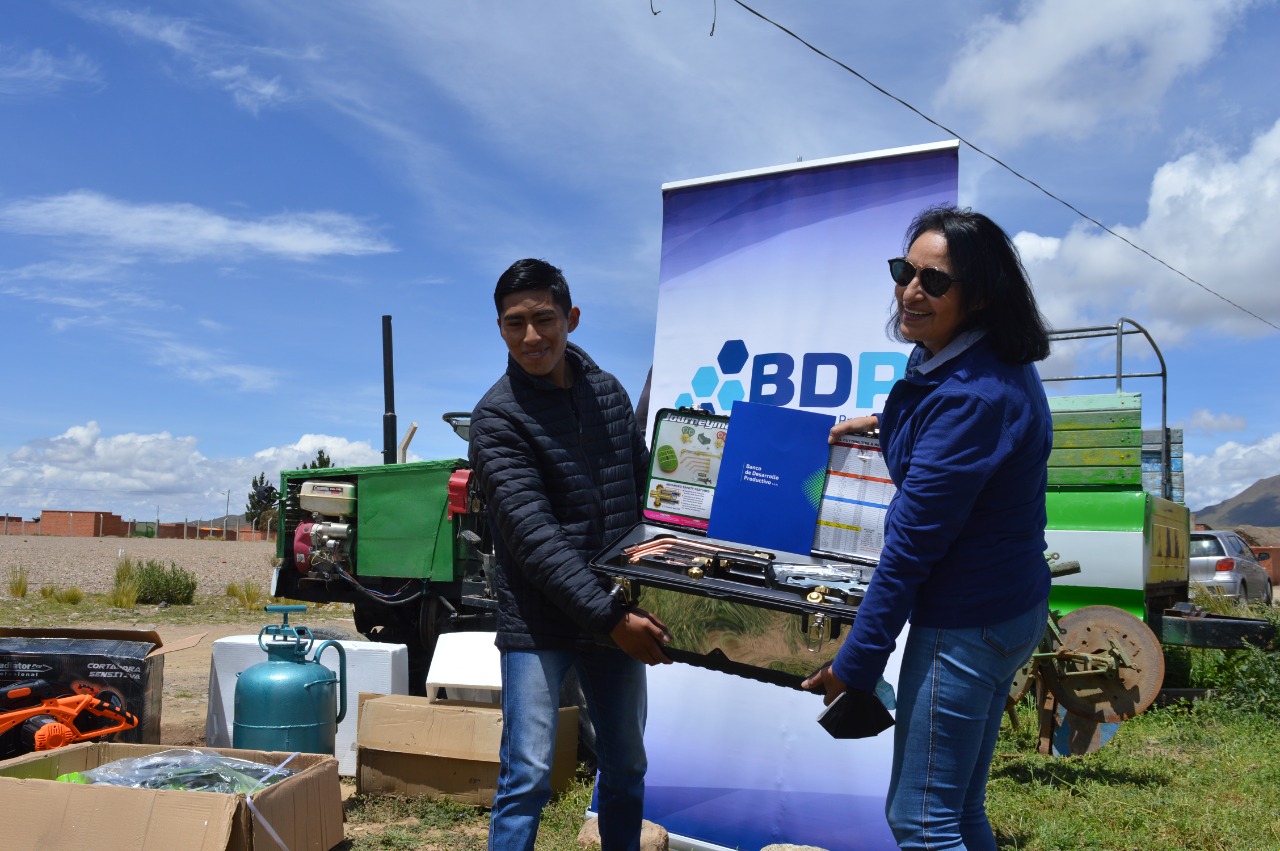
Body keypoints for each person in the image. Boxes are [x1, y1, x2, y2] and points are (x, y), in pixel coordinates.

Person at [802, 205, 1053, 850]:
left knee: (920, 821)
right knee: (960, 810)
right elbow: (956, 451)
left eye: (934, 281)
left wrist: (856, 664)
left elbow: (910, 548)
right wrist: (877, 425)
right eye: (903, 272)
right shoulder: (984, 364)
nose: (911, 292)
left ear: (980, 296)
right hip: (1008, 609)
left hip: (965, 625)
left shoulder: (972, 394)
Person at [469, 258, 672, 851]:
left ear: (571, 318)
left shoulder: (607, 394)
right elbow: (532, 538)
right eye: (514, 324)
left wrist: (666, 555)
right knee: (528, 775)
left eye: (544, 319)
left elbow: (641, 492)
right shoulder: (498, 417)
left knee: (627, 765)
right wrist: (612, 616)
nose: (531, 337)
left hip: (615, 612)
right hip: (541, 622)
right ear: (501, 329)